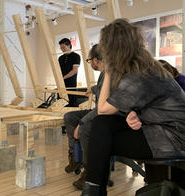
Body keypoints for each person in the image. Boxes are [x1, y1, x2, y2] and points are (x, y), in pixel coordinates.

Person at [82, 18, 185, 196]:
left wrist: (108, 70)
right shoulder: (144, 66)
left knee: (101, 139)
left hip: (173, 138)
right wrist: (134, 114)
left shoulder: (139, 74)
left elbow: (103, 109)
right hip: (162, 129)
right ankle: (93, 190)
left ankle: (92, 190)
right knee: (102, 126)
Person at [63, 44, 105, 190]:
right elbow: (100, 88)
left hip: (105, 113)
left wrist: (81, 123)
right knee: (69, 117)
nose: (90, 63)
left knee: (84, 129)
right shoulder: (104, 73)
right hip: (99, 111)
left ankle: (89, 171)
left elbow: (102, 108)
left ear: (95, 60)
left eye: (89, 60)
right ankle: (75, 156)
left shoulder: (110, 73)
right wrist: (92, 89)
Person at [58, 38, 81, 106]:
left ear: (69, 45)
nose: (62, 49)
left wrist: (63, 78)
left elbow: (74, 71)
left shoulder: (76, 56)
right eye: (61, 48)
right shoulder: (60, 58)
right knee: (60, 103)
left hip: (71, 85)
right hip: (61, 85)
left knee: (71, 104)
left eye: (63, 47)